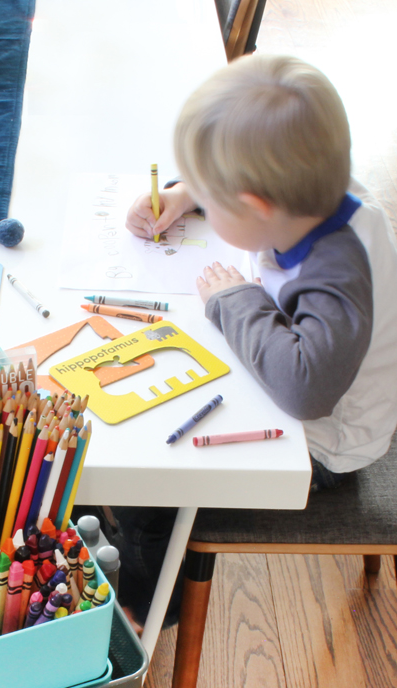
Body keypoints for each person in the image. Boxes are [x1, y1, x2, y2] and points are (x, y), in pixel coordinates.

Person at [111, 54, 397, 627]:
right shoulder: (307, 188)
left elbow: (304, 389)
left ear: (255, 206)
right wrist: (187, 193)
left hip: (325, 446)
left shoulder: (337, 272)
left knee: (151, 491)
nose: (204, 206)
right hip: (295, 390)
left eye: (213, 201)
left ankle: (143, 610)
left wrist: (233, 301)